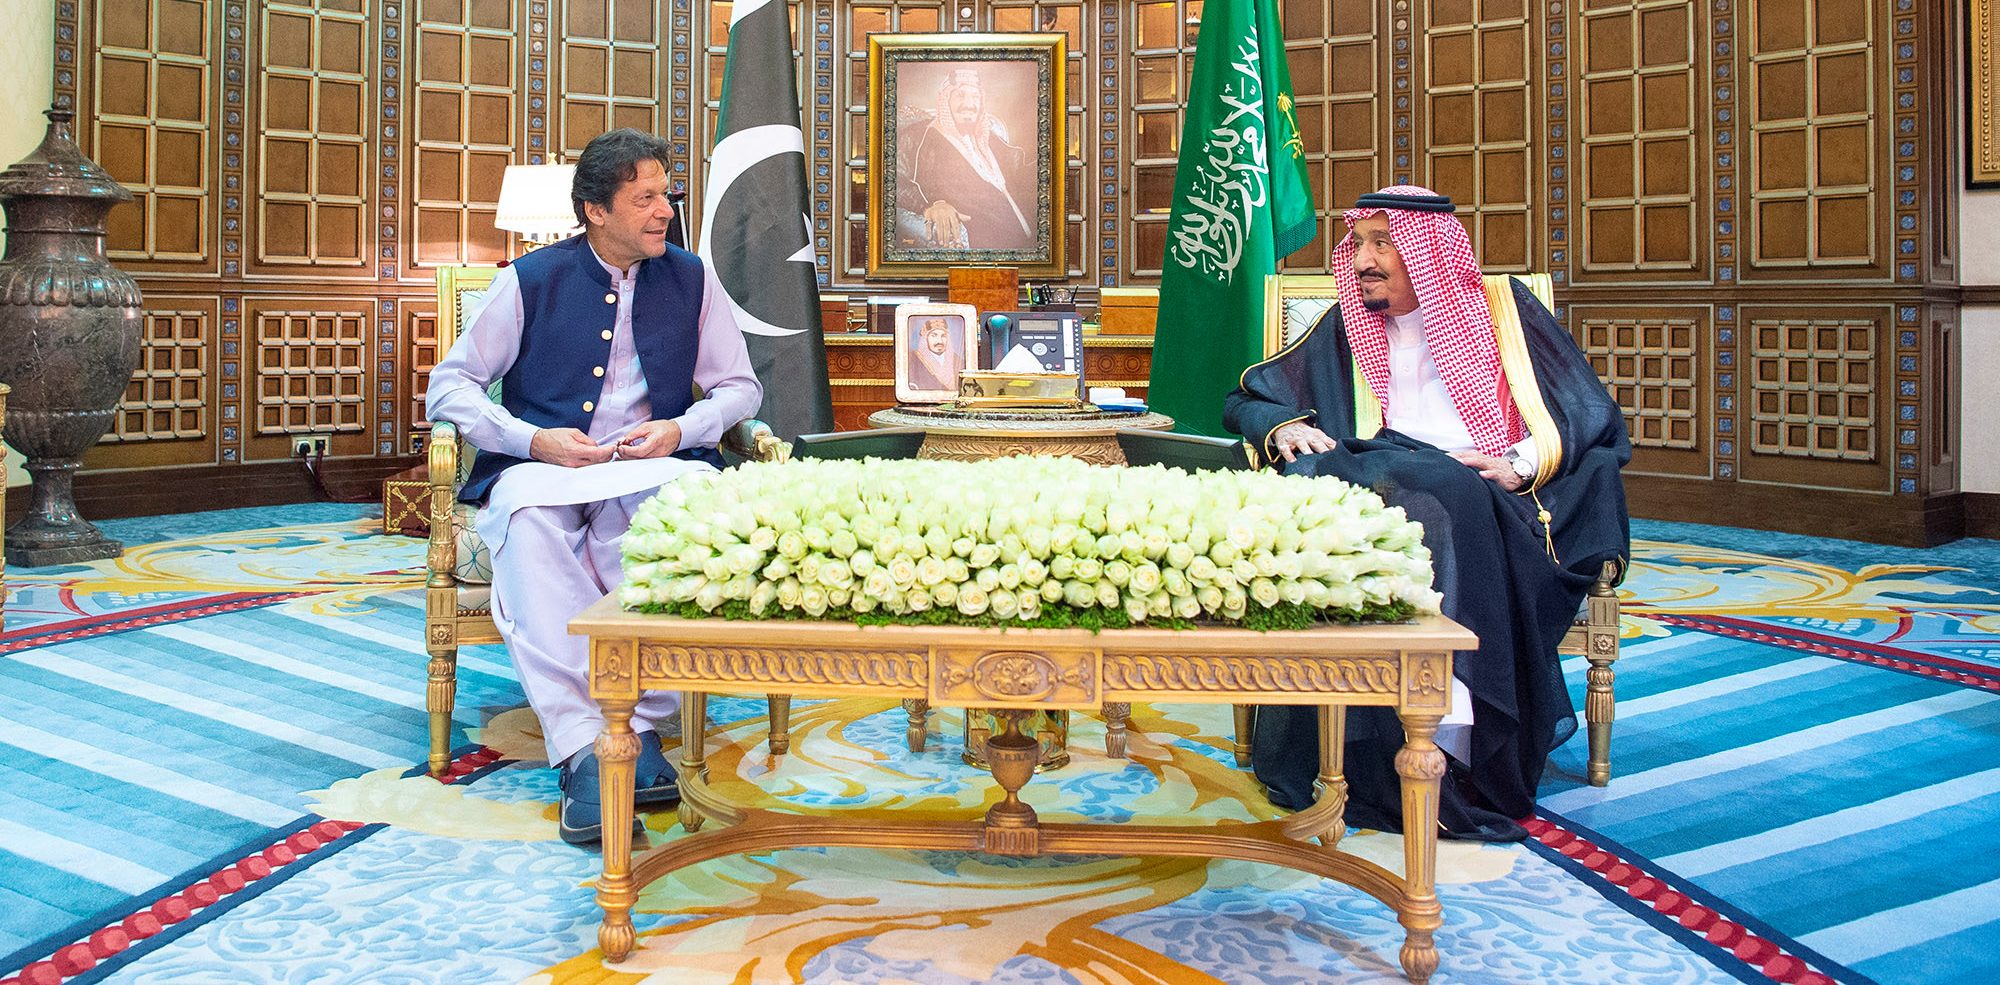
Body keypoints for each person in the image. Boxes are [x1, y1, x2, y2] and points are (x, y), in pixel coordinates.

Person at [1222, 186, 1630, 841]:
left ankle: (1452, 747)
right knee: (1341, 485)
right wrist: (1284, 426)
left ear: (1427, 252)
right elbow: (1247, 398)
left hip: (1494, 500)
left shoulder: (1504, 314)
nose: (1363, 260)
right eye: (1358, 243)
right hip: (1383, 482)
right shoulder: (1346, 327)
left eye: (1383, 244)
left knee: (1447, 495)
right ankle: (1362, 747)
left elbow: (1590, 414)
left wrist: (1520, 462)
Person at [425, 129, 763, 844]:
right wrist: (530, 440)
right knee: (528, 529)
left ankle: (633, 731)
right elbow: (449, 387)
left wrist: (681, 427)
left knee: (663, 528)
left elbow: (741, 386)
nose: (665, 211)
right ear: (595, 211)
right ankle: (588, 746)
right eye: (645, 198)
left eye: (667, 194)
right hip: (542, 469)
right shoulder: (530, 279)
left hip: (657, 465)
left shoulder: (694, 279)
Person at [895, 68, 1036, 250]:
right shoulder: (919, 136)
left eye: (975, 96)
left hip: (1031, 237)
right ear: (946, 100)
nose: (969, 104)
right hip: (983, 244)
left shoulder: (989, 137)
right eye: (960, 95)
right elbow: (892, 180)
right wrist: (932, 206)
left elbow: (1021, 172)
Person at [907, 316, 963, 391]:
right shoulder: (912, 360)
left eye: (943, 336)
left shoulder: (958, 361)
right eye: (934, 335)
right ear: (925, 338)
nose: (939, 341)